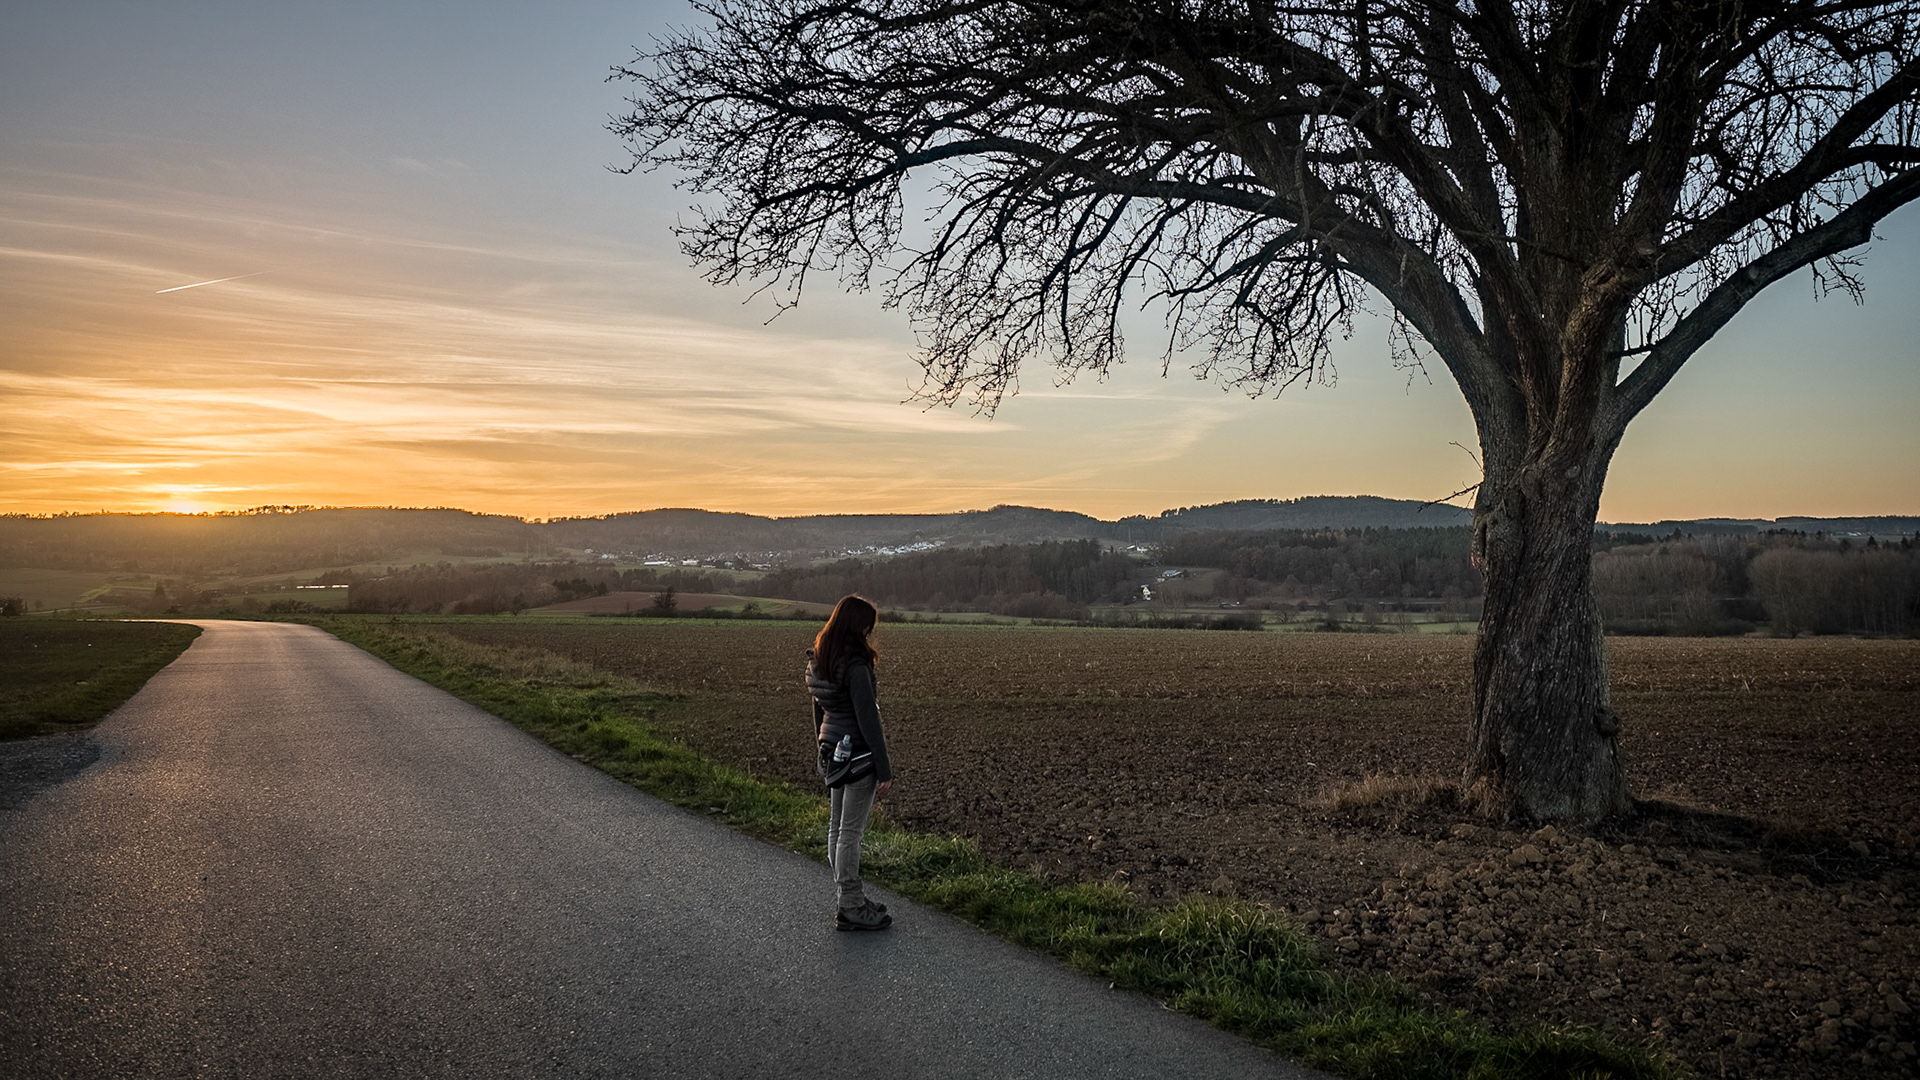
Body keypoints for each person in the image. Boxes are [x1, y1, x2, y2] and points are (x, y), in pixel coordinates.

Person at [805, 595, 893, 931]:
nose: (869, 634)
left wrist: (821, 748)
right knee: (850, 834)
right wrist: (883, 769)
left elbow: (820, 708)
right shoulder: (855, 665)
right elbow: (868, 717)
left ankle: (849, 898)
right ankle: (851, 904)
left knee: (836, 829)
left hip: (832, 750)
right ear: (857, 625)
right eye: (867, 627)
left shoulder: (820, 658)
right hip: (857, 753)